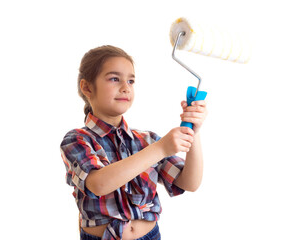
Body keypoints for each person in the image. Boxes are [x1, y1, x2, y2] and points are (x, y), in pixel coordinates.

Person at [60, 45, 207, 240]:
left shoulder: (147, 140)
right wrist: (160, 148)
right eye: (114, 79)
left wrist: (193, 133)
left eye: (131, 81)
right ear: (87, 87)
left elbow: (189, 182)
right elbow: (99, 184)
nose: (125, 87)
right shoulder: (77, 139)